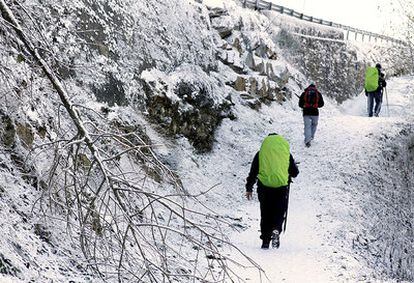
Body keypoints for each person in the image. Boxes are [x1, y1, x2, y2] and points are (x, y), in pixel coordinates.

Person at [245, 133, 299, 249]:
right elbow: (295, 172)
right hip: (281, 187)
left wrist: (249, 188)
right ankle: (276, 229)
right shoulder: (285, 154)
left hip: (264, 187)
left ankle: (265, 240)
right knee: (279, 211)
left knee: (265, 213)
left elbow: (253, 171)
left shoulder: (261, 154)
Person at [298, 82, 324, 147]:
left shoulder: (304, 93)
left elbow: (300, 104)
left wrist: (305, 105)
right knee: (314, 125)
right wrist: (315, 105)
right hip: (315, 113)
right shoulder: (318, 93)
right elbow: (322, 104)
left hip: (306, 112)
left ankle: (307, 141)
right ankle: (311, 136)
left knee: (307, 126)